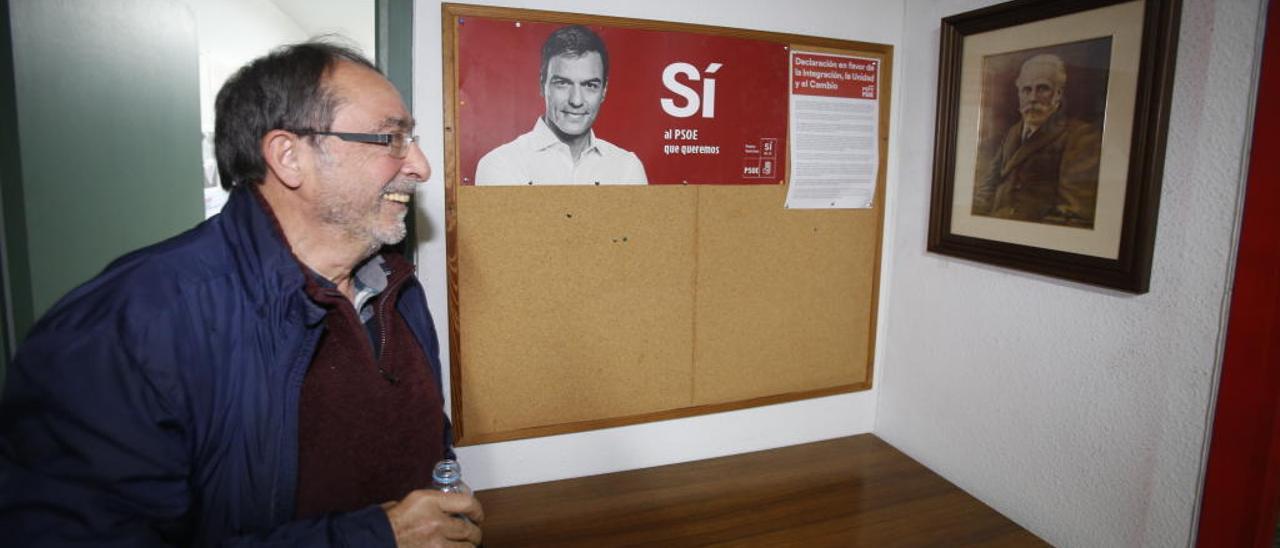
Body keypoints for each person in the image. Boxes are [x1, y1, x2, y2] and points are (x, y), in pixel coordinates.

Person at [0, 41, 483, 547]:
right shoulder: (126, 328)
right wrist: (375, 538)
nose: (422, 166)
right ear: (289, 157)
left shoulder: (396, 289)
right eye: (391, 138)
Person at [475, 25, 647, 185]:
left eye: (590, 85)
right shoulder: (500, 164)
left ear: (604, 90)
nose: (576, 101)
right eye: (563, 83)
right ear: (543, 84)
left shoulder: (627, 168)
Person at [972, 53, 1102, 227]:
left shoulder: (1081, 136)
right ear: (1019, 94)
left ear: (1058, 94)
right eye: (1026, 89)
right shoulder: (1014, 132)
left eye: (1042, 88)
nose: (1032, 98)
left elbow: (1072, 213)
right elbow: (988, 186)